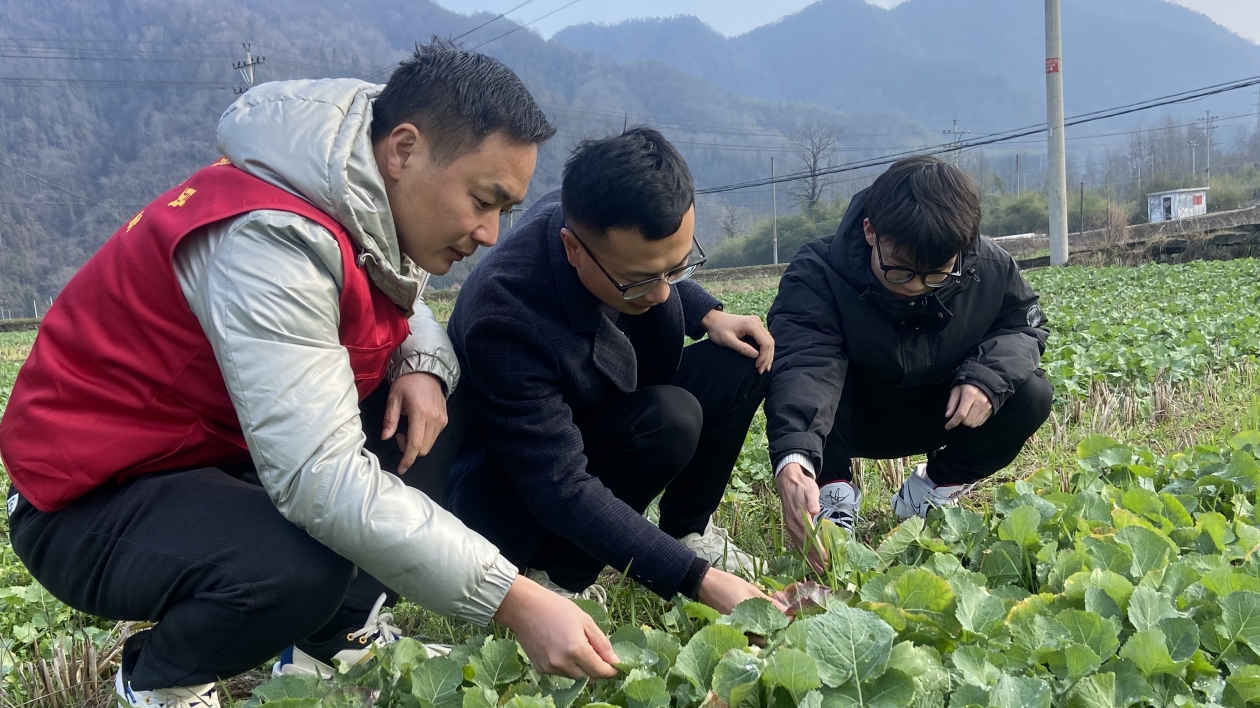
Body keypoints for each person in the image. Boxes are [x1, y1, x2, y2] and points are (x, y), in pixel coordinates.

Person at [0, 42, 619, 708]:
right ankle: (160, 678)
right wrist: (514, 601)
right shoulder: (267, 240)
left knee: (437, 394)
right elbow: (318, 482)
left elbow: (390, 283)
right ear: (403, 150)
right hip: (87, 496)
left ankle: (335, 641)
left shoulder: (351, 188)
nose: (491, 233)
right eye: (483, 200)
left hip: (204, 452)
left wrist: (420, 361)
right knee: (300, 566)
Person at [446, 128, 782, 615]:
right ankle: (558, 575)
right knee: (671, 416)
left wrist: (708, 313)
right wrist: (694, 581)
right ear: (573, 248)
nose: (664, 292)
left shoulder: (603, 227)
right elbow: (558, 486)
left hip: (593, 414)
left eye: (679, 267)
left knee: (740, 360)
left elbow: (651, 269)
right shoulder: (506, 316)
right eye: (641, 281)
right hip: (513, 490)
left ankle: (687, 530)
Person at [765, 155, 1052, 559]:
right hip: (848, 420)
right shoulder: (817, 271)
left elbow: (1024, 327)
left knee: (1033, 393)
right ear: (870, 231)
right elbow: (805, 363)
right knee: (818, 381)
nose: (915, 286)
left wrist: (986, 377)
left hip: (940, 411)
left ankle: (930, 491)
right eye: (899, 271)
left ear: (963, 249)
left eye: (936, 274)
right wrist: (795, 458)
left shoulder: (989, 267)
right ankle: (832, 496)